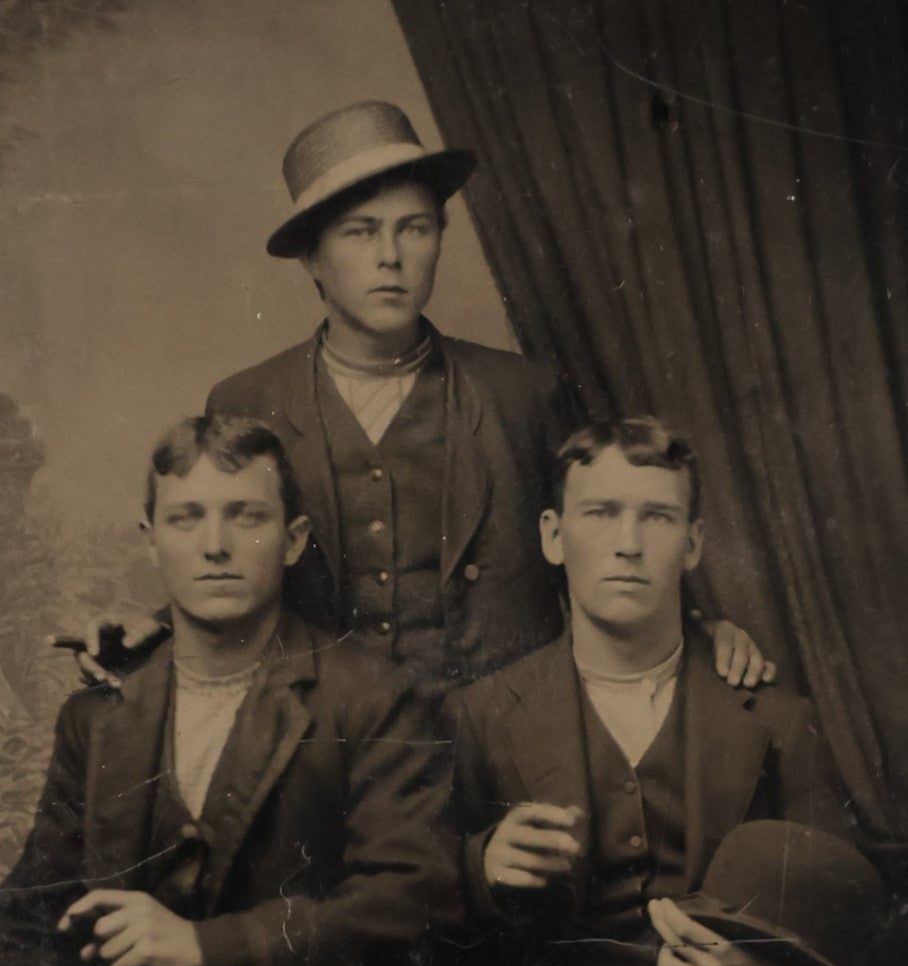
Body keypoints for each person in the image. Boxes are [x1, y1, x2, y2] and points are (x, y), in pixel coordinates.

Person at [69, 101, 772, 694]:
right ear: (314, 259)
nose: (390, 257)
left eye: (415, 228)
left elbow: (608, 530)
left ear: (439, 239)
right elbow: (230, 550)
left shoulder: (524, 393)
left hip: (503, 736)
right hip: (328, 740)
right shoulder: (249, 397)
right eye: (360, 232)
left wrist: (704, 627)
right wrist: (160, 626)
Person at [0, 415, 458, 966]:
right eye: (186, 518)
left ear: (293, 539)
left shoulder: (371, 696)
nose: (214, 545)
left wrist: (204, 944)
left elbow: (411, 901)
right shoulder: (99, 713)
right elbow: (28, 912)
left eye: (246, 516)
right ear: (150, 537)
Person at [446, 417, 870, 966]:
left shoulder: (780, 720)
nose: (628, 544)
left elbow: (855, 923)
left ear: (694, 543)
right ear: (554, 537)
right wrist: (482, 866)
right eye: (601, 513)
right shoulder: (482, 715)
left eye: (658, 517)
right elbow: (425, 918)